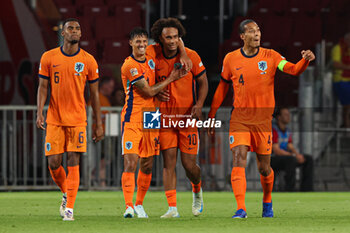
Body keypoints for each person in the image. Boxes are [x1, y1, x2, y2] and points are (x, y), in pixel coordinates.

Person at [208, 19, 315, 218]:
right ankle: (241, 208)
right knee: (238, 159)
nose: (257, 34)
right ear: (242, 36)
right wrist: (212, 115)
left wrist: (305, 61)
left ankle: (267, 201)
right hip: (239, 119)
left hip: (263, 122)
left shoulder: (271, 56)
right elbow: (222, 87)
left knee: (264, 168)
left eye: (258, 30)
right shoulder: (230, 59)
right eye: (251, 31)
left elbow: (293, 69)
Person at [36, 18, 104, 221]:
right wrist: (39, 112)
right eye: (70, 28)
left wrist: (98, 123)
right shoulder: (49, 57)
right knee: (54, 163)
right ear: (63, 33)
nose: (74, 31)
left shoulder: (89, 60)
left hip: (78, 119)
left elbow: (95, 95)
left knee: (74, 161)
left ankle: (70, 209)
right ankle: (67, 192)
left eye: (77, 28)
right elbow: (42, 87)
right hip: (55, 119)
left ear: (81, 34)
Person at [120, 27, 186, 218]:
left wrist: (184, 54)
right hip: (132, 117)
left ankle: (139, 204)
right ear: (130, 44)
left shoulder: (150, 58)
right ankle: (128, 206)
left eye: (144, 41)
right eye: (137, 42)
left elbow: (173, 41)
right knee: (131, 162)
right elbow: (148, 91)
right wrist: (170, 79)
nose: (141, 45)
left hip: (151, 116)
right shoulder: (129, 66)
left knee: (148, 164)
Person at [147, 17, 208, 218]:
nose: (172, 40)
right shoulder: (152, 56)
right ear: (160, 40)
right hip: (163, 118)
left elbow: (203, 83)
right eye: (168, 37)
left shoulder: (190, 56)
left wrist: (199, 105)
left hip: (187, 118)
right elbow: (143, 80)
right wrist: (155, 92)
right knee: (168, 162)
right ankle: (172, 208)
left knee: (189, 165)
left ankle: (197, 189)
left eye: (176, 37)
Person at [271, 107, 314, 191]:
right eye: (286, 115)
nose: (288, 117)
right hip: (272, 158)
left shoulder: (287, 130)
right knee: (291, 160)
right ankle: (289, 189)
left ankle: (307, 189)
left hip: (286, 157)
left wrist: (298, 155)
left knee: (308, 159)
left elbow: (290, 146)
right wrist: (293, 155)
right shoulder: (273, 130)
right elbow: (276, 150)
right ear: (279, 117)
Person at [90, 76, 115, 187]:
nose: (111, 89)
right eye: (110, 87)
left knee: (105, 159)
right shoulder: (96, 97)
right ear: (103, 86)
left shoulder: (105, 99)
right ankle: (94, 179)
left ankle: (101, 182)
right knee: (97, 160)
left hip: (106, 134)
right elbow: (89, 112)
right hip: (96, 134)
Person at [332, 32, 350, 128]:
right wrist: (348, 67)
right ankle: (346, 126)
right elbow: (335, 64)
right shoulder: (337, 49)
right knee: (347, 105)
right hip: (341, 80)